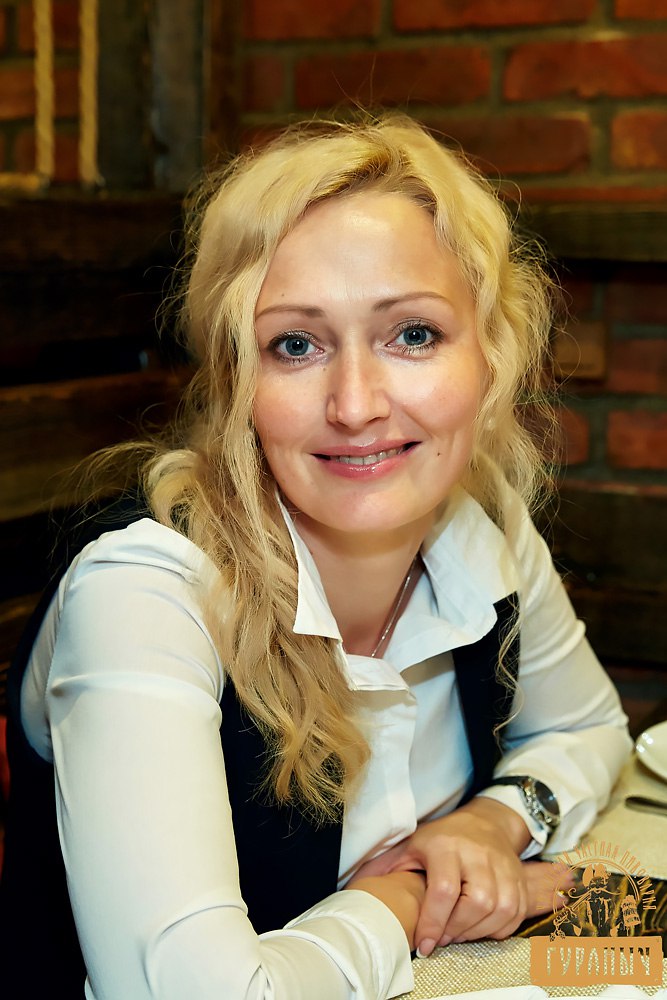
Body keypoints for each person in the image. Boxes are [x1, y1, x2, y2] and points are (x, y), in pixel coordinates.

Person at [0, 114, 632, 999]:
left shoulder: (477, 524)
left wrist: (493, 823)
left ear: (492, 357)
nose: (355, 404)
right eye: (294, 345)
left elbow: (586, 729)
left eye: (412, 334)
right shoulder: (143, 595)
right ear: (235, 380)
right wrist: (405, 900)